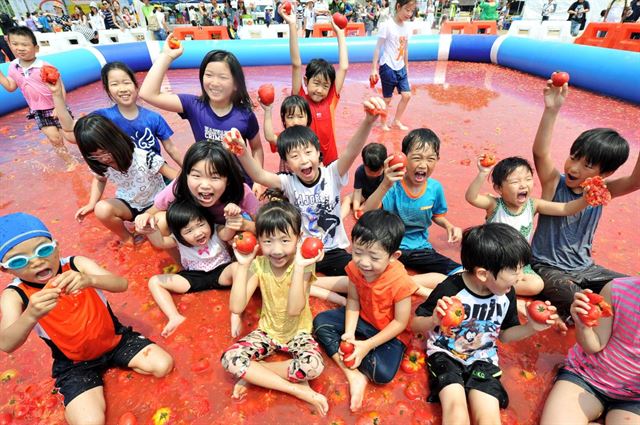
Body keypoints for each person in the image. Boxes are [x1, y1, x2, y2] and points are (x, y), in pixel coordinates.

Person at [0, 213, 174, 425]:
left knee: (163, 365)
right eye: (20, 260)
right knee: (89, 422)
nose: (36, 262)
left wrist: (89, 279)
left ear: (56, 247)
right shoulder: (15, 295)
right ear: (5, 269)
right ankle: (77, 399)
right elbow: (6, 343)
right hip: (75, 363)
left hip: (115, 341)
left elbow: (121, 284)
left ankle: (112, 366)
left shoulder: (76, 264)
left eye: (43, 250)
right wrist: (31, 314)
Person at [412, 223, 559, 425]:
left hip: (483, 358)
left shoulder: (506, 294)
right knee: (456, 411)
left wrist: (532, 326)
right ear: (483, 274)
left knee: (489, 418)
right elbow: (415, 323)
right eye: (515, 270)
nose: (522, 277)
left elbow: (505, 335)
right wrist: (433, 320)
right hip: (445, 354)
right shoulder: (451, 288)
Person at [230, 97, 385, 277]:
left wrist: (368, 121)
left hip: (334, 250)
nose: (303, 160)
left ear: (318, 152)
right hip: (302, 251)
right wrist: (242, 152)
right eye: (294, 156)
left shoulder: (332, 174)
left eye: (308, 152)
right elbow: (259, 175)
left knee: (359, 278)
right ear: (286, 163)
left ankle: (315, 285)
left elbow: (352, 150)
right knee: (274, 279)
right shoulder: (289, 182)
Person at [530, 80, 639, 321]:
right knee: (582, 304)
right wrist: (551, 109)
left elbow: (635, 181)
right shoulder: (553, 182)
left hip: (588, 268)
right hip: (547, 267)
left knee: (633, 291)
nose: (574, 168)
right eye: (573, 157)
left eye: (587, 165)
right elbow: (540, 153)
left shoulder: (603, 190)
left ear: (605, 174)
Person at [220, 201, 328, 416]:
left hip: (299, 333)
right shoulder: (259, 265)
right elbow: (236, 306)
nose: (277, 250)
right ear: (258, 240)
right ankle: (295, 388)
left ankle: (256, 374)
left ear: (298, 239)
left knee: (313, 366)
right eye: (268, 241)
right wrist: (242, 265)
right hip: (267, 332)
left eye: (285, 240)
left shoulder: (305, 264)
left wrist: (298, 267)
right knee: (229, 359)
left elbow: (295, 309)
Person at [313, 210, 424, 411]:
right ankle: (353, 373)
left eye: (373, 257)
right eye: (357, 252)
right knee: (320, 323)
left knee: (382, 374)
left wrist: (367, 345)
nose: (364, 262)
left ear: (393, 256)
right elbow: (353, 301)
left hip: (388, 333)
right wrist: (348, 331)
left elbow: (400, 323)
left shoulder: (400, 281)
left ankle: (357, 355)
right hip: (363, 319)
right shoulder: (355, 269)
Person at [465, 156, 589, 299]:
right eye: (515, 181)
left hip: (517, 264)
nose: (523, 185)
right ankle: (495, 284)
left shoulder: (533, 205)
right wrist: (482, 173)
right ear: (498, 188)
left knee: (536, 285)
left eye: (528, 179)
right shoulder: (494, 205)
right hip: (491, 260)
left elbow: (565, 209)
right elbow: (471, 197)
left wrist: (585, 200)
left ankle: (492, 286)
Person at [139, 47, 263, 188]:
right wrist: (167, 56)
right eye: (209, 75)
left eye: (223, 77)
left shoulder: (245, 115)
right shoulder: (194, 106)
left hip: (240, 184)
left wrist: (258, 180)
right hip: (207, 184)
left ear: (236, 84)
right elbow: (147, 93)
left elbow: (257, 148)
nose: (214, 83)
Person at [362, 128, 462, 287]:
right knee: (364, 274)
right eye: (417, 158)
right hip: (389, 249)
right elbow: (365, 214)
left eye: (431, 159)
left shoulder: (435, 188)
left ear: (437, 160)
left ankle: (403, 283)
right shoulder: (392, 185)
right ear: (404, 158)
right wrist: (385, 184)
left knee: (460, 273)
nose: (423, 164)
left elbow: (437, 215)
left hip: (421, 249)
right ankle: (404, 283)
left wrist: (449, 226)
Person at [540, 278, 640, 425]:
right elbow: (595, 344)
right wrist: (583, 325)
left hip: (634, 398)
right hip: (587, 377)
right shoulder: (617, 290)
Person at [52, 62, 183, 169]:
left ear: (135, 85)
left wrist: (187, 171)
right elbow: (70, 129)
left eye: (126, 82)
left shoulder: (154, 118)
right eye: (114, 84)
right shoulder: (103, 118)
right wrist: (57, 94)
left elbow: (171, 148)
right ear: (107, 89)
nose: (122, 89)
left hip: (157, 172)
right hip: (127, 177)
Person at [72, 114, 178, 244]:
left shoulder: (144, 158)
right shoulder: (102, 165)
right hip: (130, 204)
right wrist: (92, 204)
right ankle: (128, 238)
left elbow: (179, 179)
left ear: (117, 140)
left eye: (106, 152)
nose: (104, 158)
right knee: (101, 209)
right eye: (95, 156)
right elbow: (100, 179)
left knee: (160, 225)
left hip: (157, 204)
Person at [135, 142, 258, 248]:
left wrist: (244, 225)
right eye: (196, 176)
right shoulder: (180, 186)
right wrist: (143, 220)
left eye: (214, 177)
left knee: (243, 241)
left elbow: (265, 224)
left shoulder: (241, 191)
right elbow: (151, 212)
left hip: (228, 228)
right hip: (196, 231)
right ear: (186, 175)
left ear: (228, 180)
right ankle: (182, 266)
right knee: (160, 221)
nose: (204, 185)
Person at [147, 200, 240, 337]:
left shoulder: (216, 230)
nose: (198, 233)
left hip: (222, 271)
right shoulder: (177, 240)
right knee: (154, 281)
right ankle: (174, 317)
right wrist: (151, 230)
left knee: (239, 267)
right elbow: (159, 242)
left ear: (208, 221)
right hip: (194, 276)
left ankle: (236, 312)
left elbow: (227, 234)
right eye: (189, 231)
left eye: (201, 224)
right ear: (179, 234)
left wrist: (232, 216)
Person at [0, 26, 76, 169]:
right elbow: (11, 87)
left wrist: (59, 106)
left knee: (70, 137)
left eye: (24, 44)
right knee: (55, 139)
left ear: (36, 48)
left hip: (55, 107)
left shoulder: (44, 66)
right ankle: (70, 162)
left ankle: (91, 151)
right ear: (9, 45)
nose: (20, 48)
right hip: (37, 110)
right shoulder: (13, 67)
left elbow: (60, 87)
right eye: (15, 44)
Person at [283, 3, 348, 165]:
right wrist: (292, 25)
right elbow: (296, 64)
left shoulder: (331, 100)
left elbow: (344, 67)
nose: (320, 90)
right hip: (307, 164)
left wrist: (340, 34)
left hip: (331, 162)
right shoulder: (300, 99)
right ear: (306, 81)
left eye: (325, 86)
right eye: (316, 83)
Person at [370, 0, 415, 131]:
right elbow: (378, 48)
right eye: (407, 10)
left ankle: (396, 121)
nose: (409, 14)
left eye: (412, 11)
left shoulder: (406, 27)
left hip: (401, 67)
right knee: (387, 99)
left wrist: (407, 66)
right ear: (398, 6)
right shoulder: (387, 25)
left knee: (407, 95)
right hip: (388, 66)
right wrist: (374, 68)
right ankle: (383, 123)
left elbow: (405, 48)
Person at [260, 94, 312, 172]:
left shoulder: (311, 138)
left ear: (308, 118)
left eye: (300, 116)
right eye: (290, 117)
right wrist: (267, 110)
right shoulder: (284, 139)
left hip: (305, 180)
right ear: (284, 120)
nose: (295, 122)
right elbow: (269, 137)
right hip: (287, 182)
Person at [341, 142, 387, 220]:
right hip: (364, 194)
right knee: (347, 199)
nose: (374, 175)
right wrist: (356, 208)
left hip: (379, 196)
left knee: (378, 206)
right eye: (370, 172)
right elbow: (358, 192)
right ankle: (339, 218)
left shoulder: (387, 171)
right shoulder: (360, 171)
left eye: (377, 172)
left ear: (384, 165)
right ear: (364, 164)